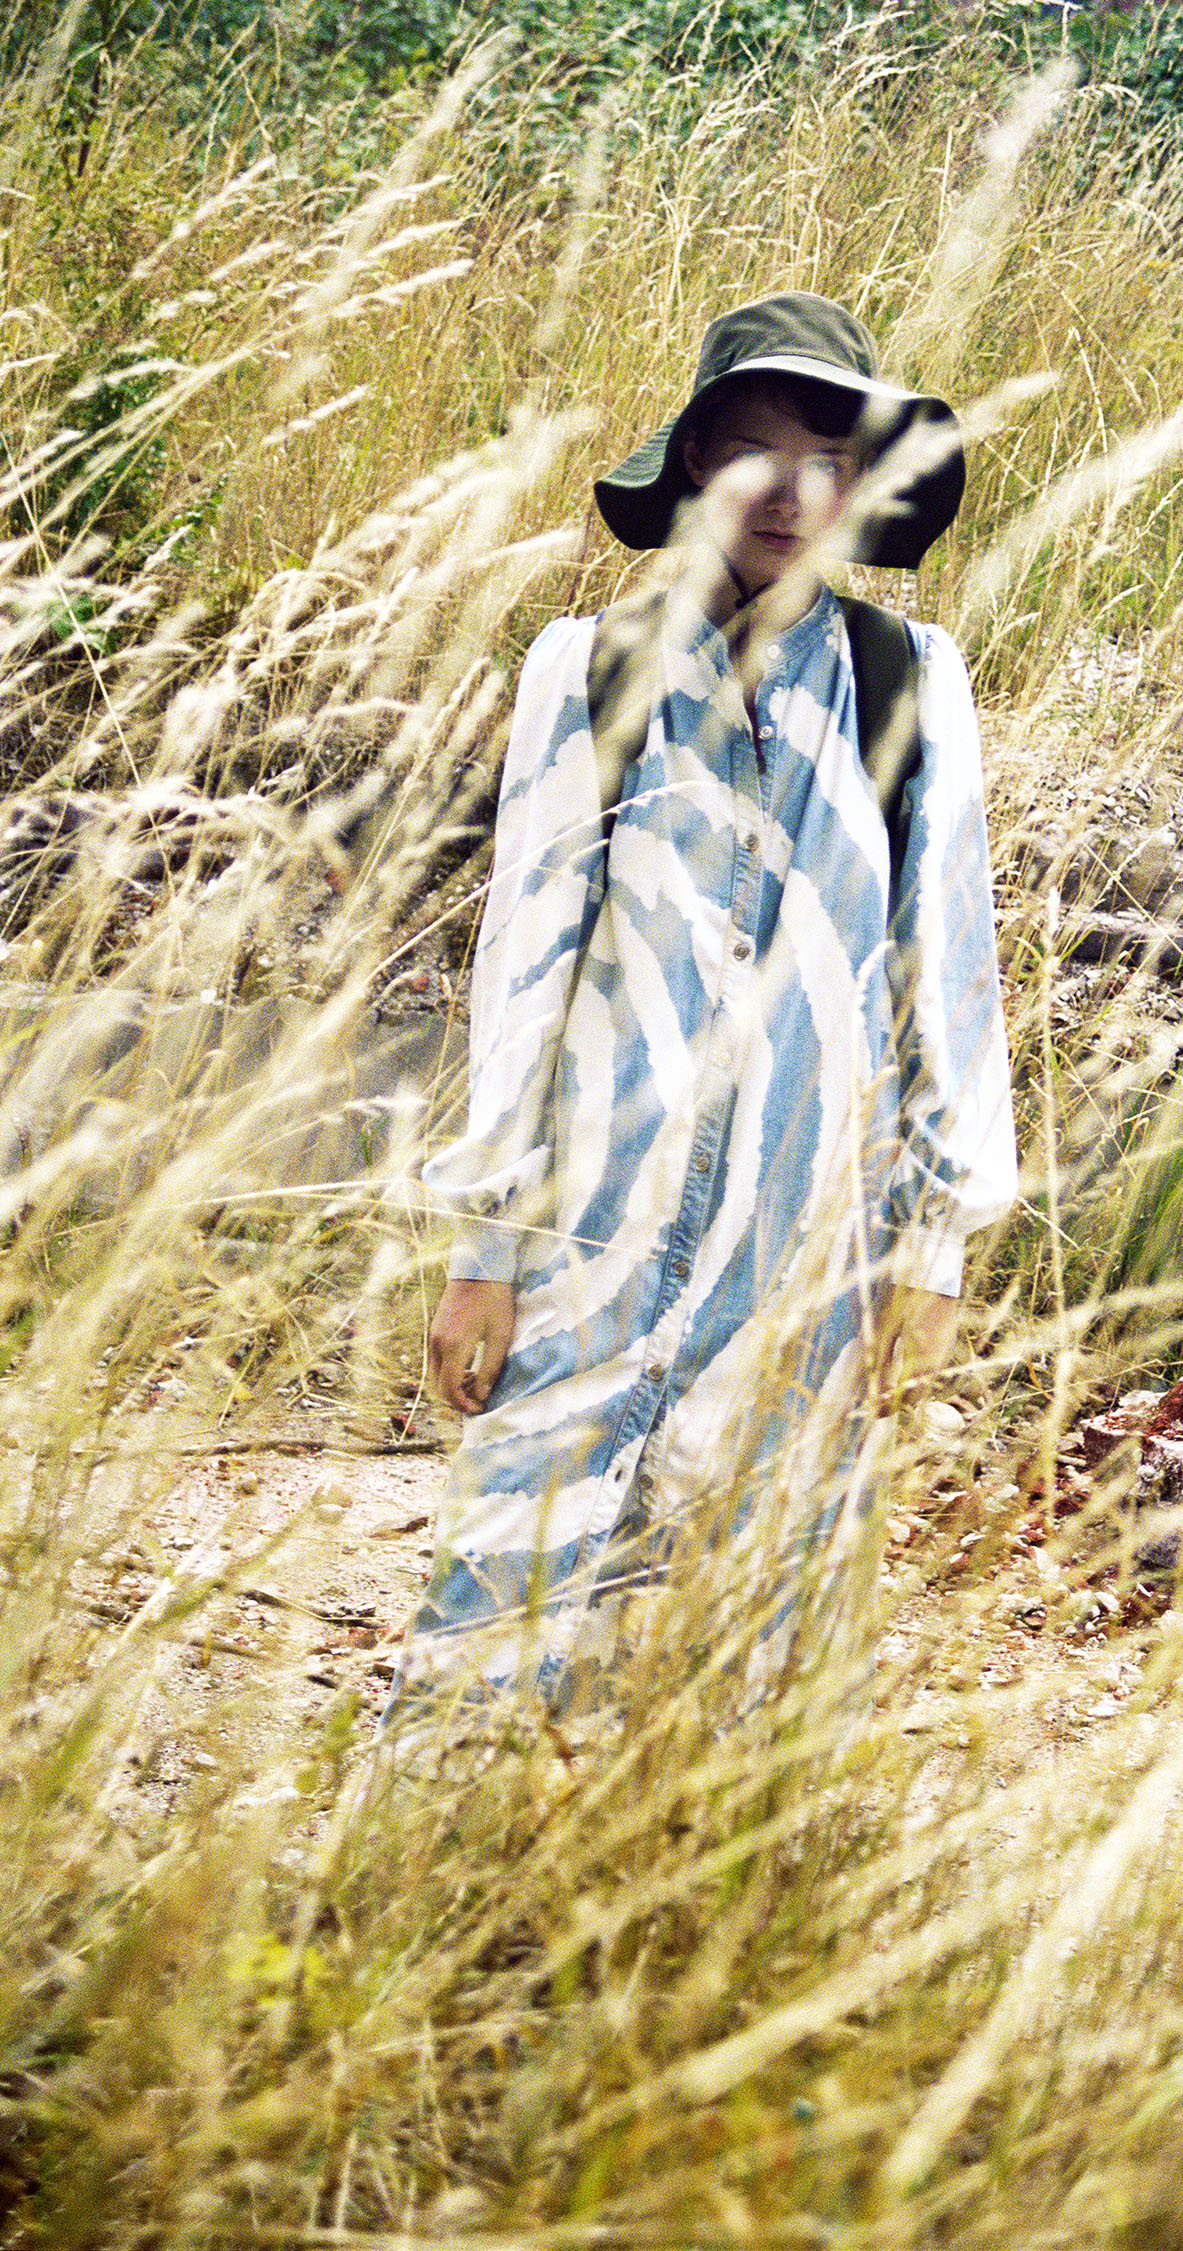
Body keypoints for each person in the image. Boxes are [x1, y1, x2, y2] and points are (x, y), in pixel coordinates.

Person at [398, 291, 1018, 1719]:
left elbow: (948, 976)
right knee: (505, 1609)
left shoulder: (908, 682)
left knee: (757, 1645)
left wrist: (928, 1263)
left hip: (811, 1247)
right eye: (752, 451)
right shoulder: (586, 666)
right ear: (691, 460)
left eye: (828, 462)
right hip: (592, 1232)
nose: (789, 495)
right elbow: (527, 967)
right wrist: (487, 1252)